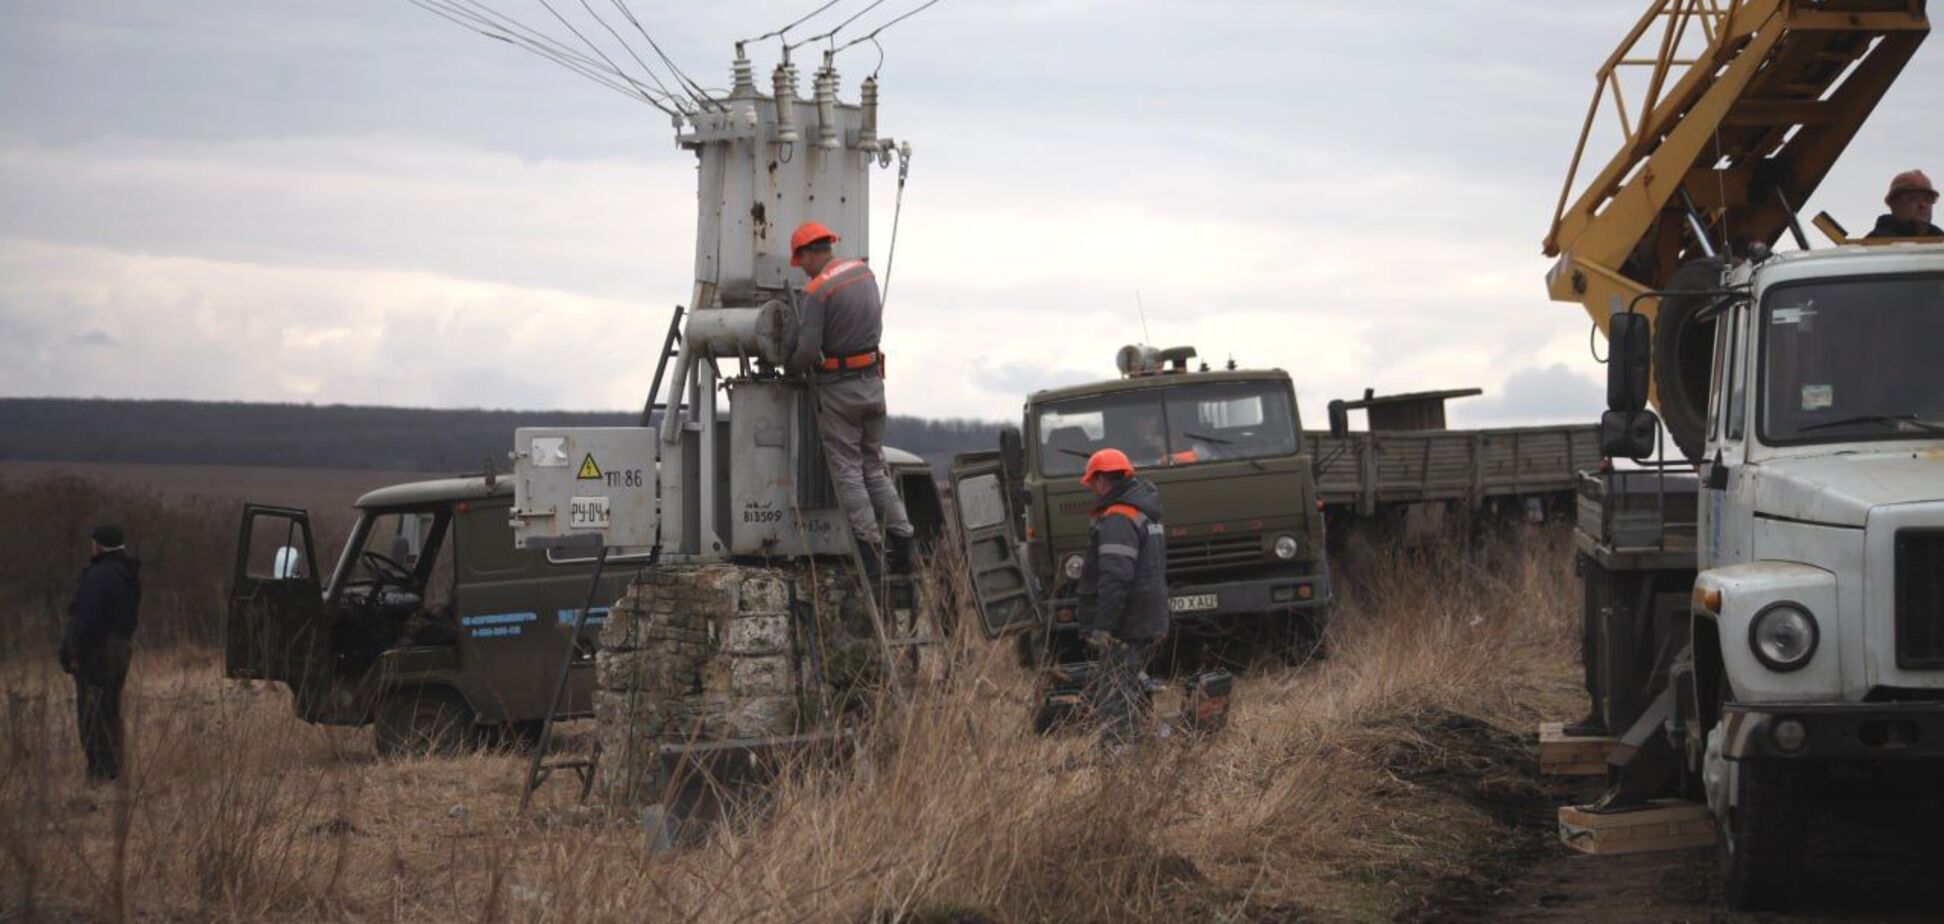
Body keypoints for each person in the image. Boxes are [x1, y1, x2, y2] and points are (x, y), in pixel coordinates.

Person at [786, 220, 915, 575]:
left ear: (809, 254)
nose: (803, 270)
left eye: (801, 262)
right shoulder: (864, 273)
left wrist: (791, 367)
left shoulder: (817, 291)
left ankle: (871, 552)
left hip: (839, 391)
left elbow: (808, 350)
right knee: (874, 466)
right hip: (873, 383)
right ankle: (904, 541)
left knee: (848, 470)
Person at [1074, 448, 1169, 753]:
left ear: (1102, 480)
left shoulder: (1119, 516)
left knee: (1114, 692)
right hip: (1147, 615)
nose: (1092, 489)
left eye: (1092, 483)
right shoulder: (1144, 510)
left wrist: (1103, 626)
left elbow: (1115, 578)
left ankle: (1120, 753)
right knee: (1130, 684)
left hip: (1127, 623)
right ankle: (1142, 745)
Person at [59, 525, 142, 782]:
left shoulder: (97, 576)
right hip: (120, 650)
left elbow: (87, 619)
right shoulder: (128, 574)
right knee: (110, 709)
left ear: (98, 544)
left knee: (93, 713)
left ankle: (101, 772)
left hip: (96, 653)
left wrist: (72, 651)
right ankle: (113, 767)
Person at [1866, 169, 1942, 239]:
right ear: (1893, 204)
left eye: (1927, 200)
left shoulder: (1940, 241)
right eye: (1913, 199)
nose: (1922, 205)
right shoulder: (1876, 243)